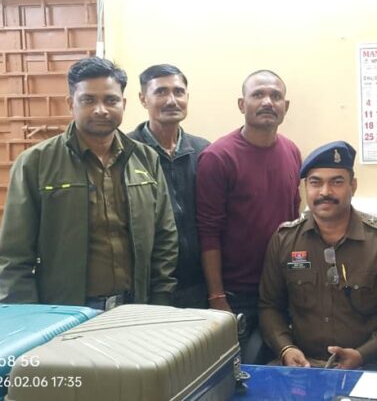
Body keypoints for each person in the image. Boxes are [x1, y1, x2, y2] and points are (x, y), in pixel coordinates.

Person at [0, 57, 178, 309]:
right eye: (88, 100)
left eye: (111, 100)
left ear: (124, 103)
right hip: (65, 312)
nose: (101, 110)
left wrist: (160, 298)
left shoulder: (146, 158)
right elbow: (14, 255)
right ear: (70, 103)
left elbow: (164, 237)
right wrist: (29, 318)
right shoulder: (36, 163)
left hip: (135, 308)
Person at [258, 141, 377, 369]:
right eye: (315, 182)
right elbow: (269, 306)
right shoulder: (284, 240)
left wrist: (364, 353)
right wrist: (286, 348)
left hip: (366, 365)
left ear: (353, 186)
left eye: (336, 182)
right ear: (305, 187)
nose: (325, 192)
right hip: (302, 365)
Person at [197, 69, 301, 351]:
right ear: (242, 104)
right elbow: (208, 232)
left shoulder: (291, 151)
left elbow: (294, 222)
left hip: (282, 290)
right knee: (237, 370)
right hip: (236, 295)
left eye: (275, 96)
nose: (268, 101)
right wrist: (217, 298)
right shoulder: (217, 157)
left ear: (285, 106)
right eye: (258, 95)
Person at [127, 64, 210, 308]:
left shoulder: (204, 151)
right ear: (143, 99)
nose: (171, 100)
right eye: (161, 92)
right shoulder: (126, 152)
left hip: (198, 283)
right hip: (145, 287)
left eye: (178, 92)